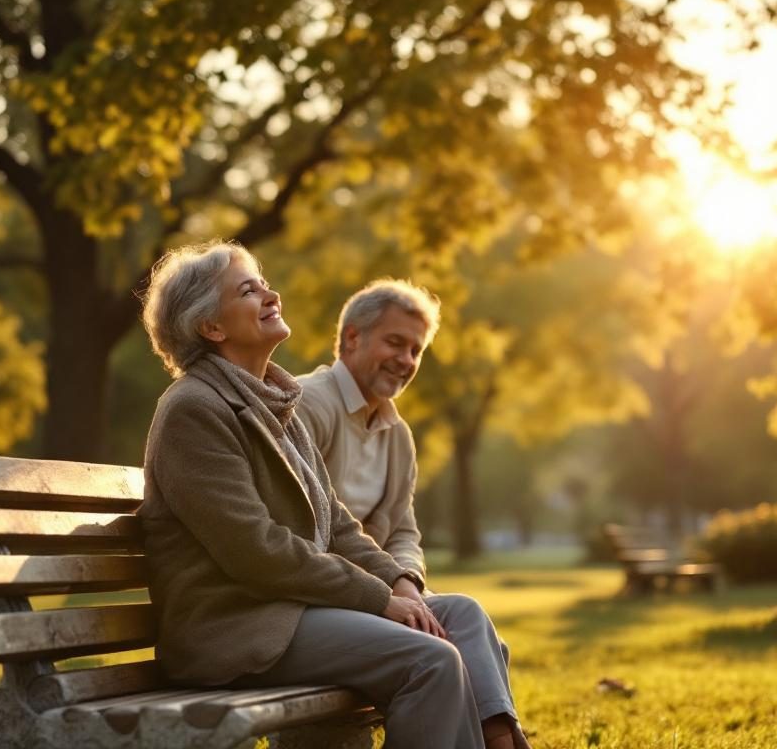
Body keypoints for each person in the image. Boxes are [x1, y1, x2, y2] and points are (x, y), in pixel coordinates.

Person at [138, 241, 523, 749]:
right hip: (237, 628)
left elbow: (337, 525)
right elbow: (254, 550)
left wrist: (398, 582)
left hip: (287, 610)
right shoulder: (194, 408)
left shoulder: (274, 405)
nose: (271, 293)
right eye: (249, 289)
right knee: (429, 659)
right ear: (212, 327)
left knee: (462, 615)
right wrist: (376, 599)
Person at [297, 280, 530, 749]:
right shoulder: (308, 405)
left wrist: (410, 582)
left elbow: (403, 529)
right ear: (351, 339)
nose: (406, 360)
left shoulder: (396, 433)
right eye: (395, 342)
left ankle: (502, 738)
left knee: (463, 612)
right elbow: (310, 529)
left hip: (379, 594)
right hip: (317, 598)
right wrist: (391, 587)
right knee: (438, 655)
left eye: (416, 350)